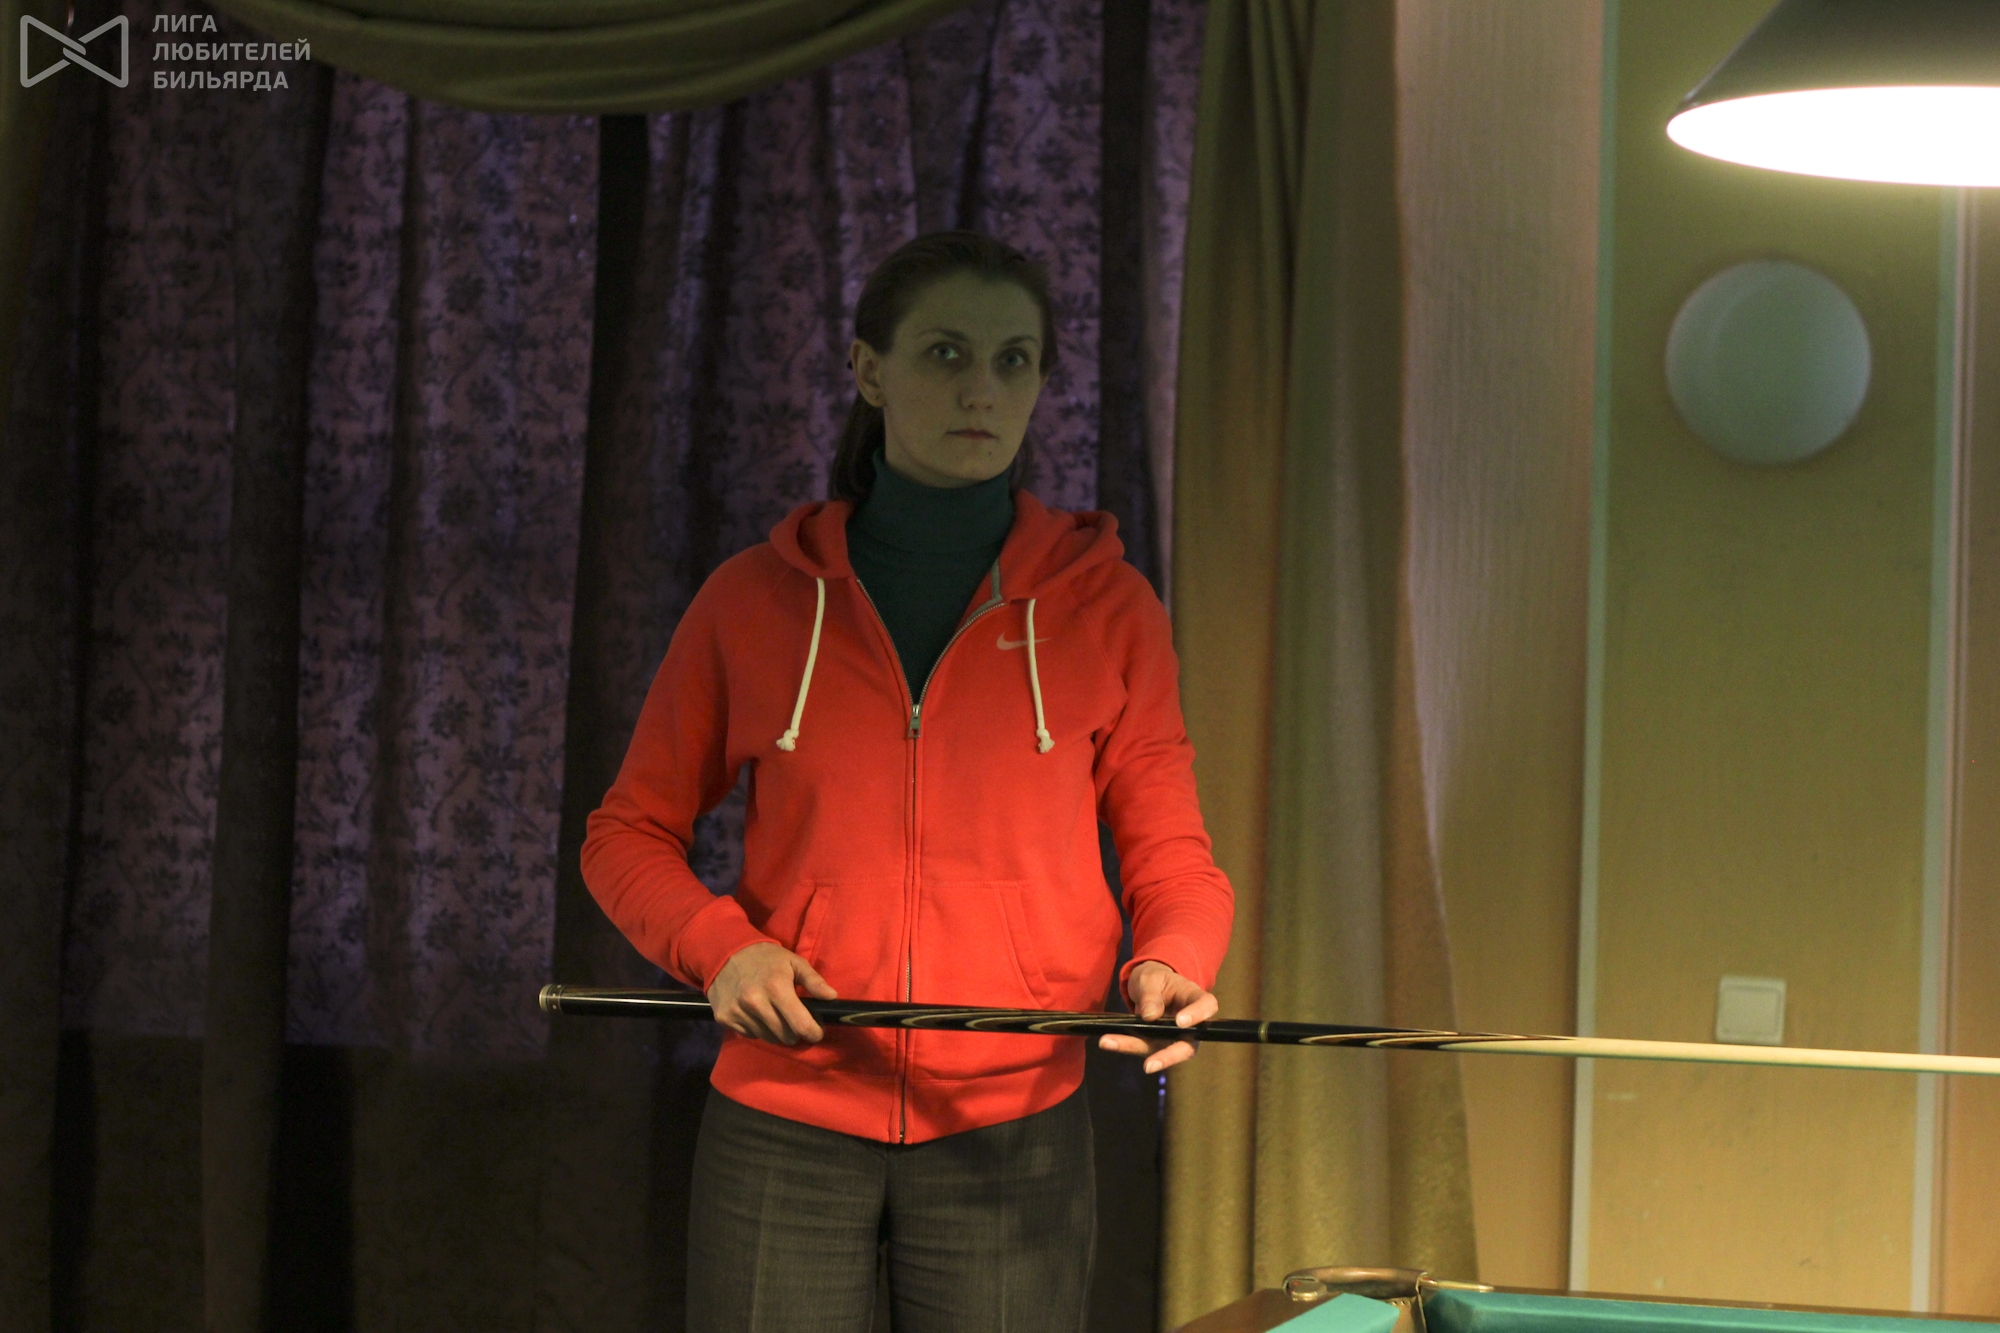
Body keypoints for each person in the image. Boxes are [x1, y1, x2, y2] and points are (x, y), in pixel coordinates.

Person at [581, 230, 1235, 1332]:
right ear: (868, 369)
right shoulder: (753, 600)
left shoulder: (1108, 609)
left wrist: (1176, 956)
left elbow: (1172, 850)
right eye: (944, 353)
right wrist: (720, 947)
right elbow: (625, 832)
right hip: (785, 1115)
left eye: (1012, 360)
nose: (981, 389)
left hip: (1014, 1122)